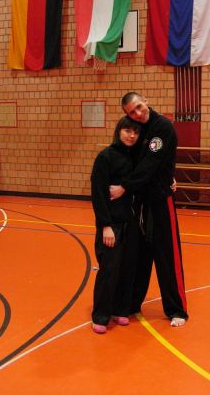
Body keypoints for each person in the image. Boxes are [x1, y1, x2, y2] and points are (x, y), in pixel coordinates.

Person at [110, 92, 188, 327]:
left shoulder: (162, 126)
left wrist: (124, 186)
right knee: (139, 256)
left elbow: (150, 165)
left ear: (145, 101)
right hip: (140, 202)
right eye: (131, 112)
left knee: (167, 255)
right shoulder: (136, 129)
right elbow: (131, 160)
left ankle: (177, 310)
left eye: (139, 107)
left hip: (160, 201)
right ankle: (132, 303)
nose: (137, 113)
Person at [90, 116, 141, 334]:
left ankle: (121, 309)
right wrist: (105, 225)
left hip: (131, 223)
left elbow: (145, 178)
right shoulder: (105, 157)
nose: (131, 135)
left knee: (128, 268)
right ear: (119, 131)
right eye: (127, 131)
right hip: (112, 224)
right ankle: (101, 315)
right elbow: (98, 194)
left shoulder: (136, 157)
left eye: (135, 132)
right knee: (109, 270)